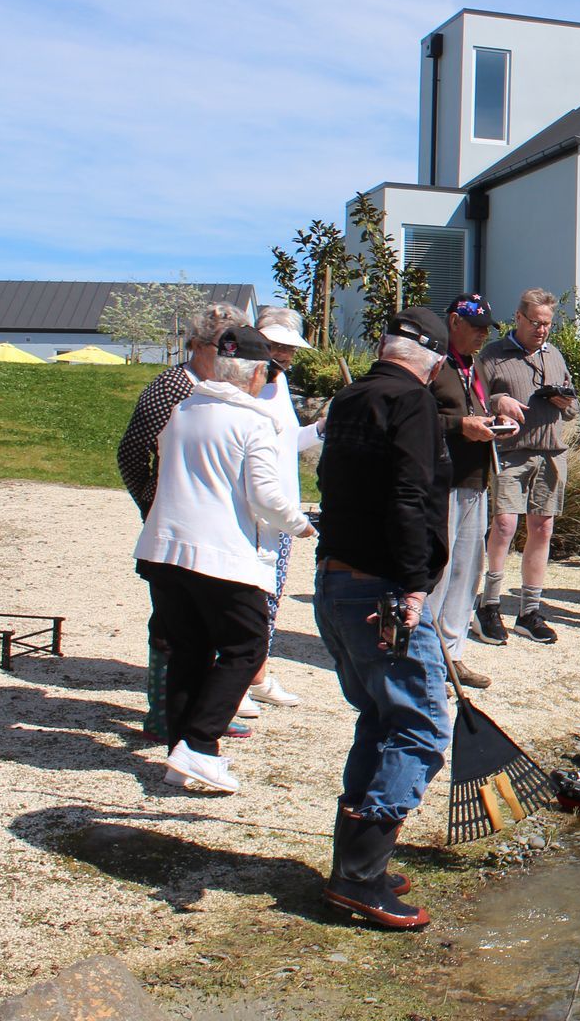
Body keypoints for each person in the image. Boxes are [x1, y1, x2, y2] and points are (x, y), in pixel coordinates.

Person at [313, 306, 454, 930]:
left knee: (378, 717)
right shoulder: (412, 401)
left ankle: (356, 863)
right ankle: (360, 876)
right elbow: (407, 495)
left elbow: (332, 484)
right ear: (434, 361)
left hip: (336, 579)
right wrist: (415, 583)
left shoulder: (349, 398)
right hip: (382, 588)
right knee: (421, 726)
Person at [132, 326, 314, 794]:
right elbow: (265, 495)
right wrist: (301, 524)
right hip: (219, 554)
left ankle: (183, 753)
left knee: (187, 649)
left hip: (164, 549)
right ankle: (199, 743)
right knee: (246, 646)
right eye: (267, 371)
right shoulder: (253, 421)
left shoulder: (182, 411)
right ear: (255, 373)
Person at [116, 301, 251, 742]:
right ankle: (164, 714)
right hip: (174, 523)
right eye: (221, 347)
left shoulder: (224, 390)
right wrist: (151, 502)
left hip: (214, 524)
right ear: (196, 345)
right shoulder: (174, 385)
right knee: (172, 624)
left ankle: (200, 712)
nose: (229, 356)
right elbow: (132, 452)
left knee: (207, 622)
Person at [476, 288, 578, 645]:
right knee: (504, 525)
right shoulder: (493, 355)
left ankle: (529, 611)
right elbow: (475, 400)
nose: (542, 330)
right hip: (511, 452)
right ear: (518, 317)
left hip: (551, 452)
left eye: (547, 324)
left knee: (543, 528)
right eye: (535, 323)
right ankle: (488, 605)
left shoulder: (554, 355)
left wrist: (565, 401)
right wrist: (498, 401)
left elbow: (572, 407)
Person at [237, 306, 322, 718]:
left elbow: (287, 442)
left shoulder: (279, 381)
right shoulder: (245, 385)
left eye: (290, 348)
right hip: (254, 509)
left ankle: (256, 675)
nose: (285, 355)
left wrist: (320, 429)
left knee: (271, 597)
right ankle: (235, 680)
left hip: (282, 506)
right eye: (275, 345)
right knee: (248, 599)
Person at [424, 293, 505, 687]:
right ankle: (425, 654)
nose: (482, 335)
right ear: (454, 322)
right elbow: (417, 416)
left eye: (486, 329)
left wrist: (496, 419)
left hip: (475, 477)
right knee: (438, 569)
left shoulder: (476, 365)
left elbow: (474, 409)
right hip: (443, 478)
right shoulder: (433, 363)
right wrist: (461, 426)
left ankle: (452, 654)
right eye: (476, 327)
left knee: (467, 570)